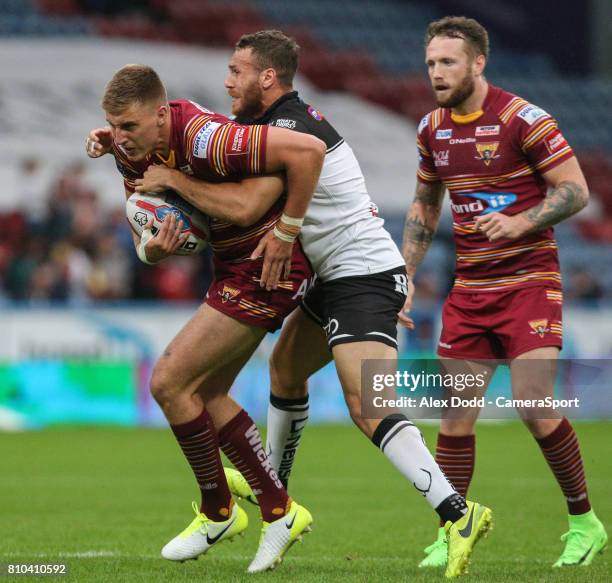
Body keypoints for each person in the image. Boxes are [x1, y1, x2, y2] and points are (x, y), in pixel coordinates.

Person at [129, 30, 494, 578]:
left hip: (364, 275)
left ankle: (457, 513)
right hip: (335, 276)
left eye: (237, 71)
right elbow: (195, 126)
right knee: (285, 369)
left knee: (368, 402)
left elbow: (260, 192)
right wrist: (115, 134)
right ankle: (274, 495)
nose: (228, 81)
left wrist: (284, 231)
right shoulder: (261, 125)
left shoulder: (290, 127)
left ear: (267, 78)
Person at [86, 63, 326, 573]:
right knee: (206, 394)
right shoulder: (131, 153)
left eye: (129, 126)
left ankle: (220, 511)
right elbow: (144, 246)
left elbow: (299, 160)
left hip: (269, 269)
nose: (120, 138)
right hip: (232, 271)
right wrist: (156, 251)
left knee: (170, 382)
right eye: (113, 125)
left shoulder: (208, 139)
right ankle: (278, 510)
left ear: (160, 114)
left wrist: (285, 230)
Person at [399, 16, 608, 569]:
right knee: (455, 419)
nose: (437, 73)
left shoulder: (524, 120)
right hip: (470, 288)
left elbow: (576, 191)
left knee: (535, 405)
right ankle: (452, 529)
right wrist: (404, 276)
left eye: (447, 62)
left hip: (529, 283)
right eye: (430, 64)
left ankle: (585, 522)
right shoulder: (431, 129)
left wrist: (521, 222)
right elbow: (425, 206)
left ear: (477, 62)